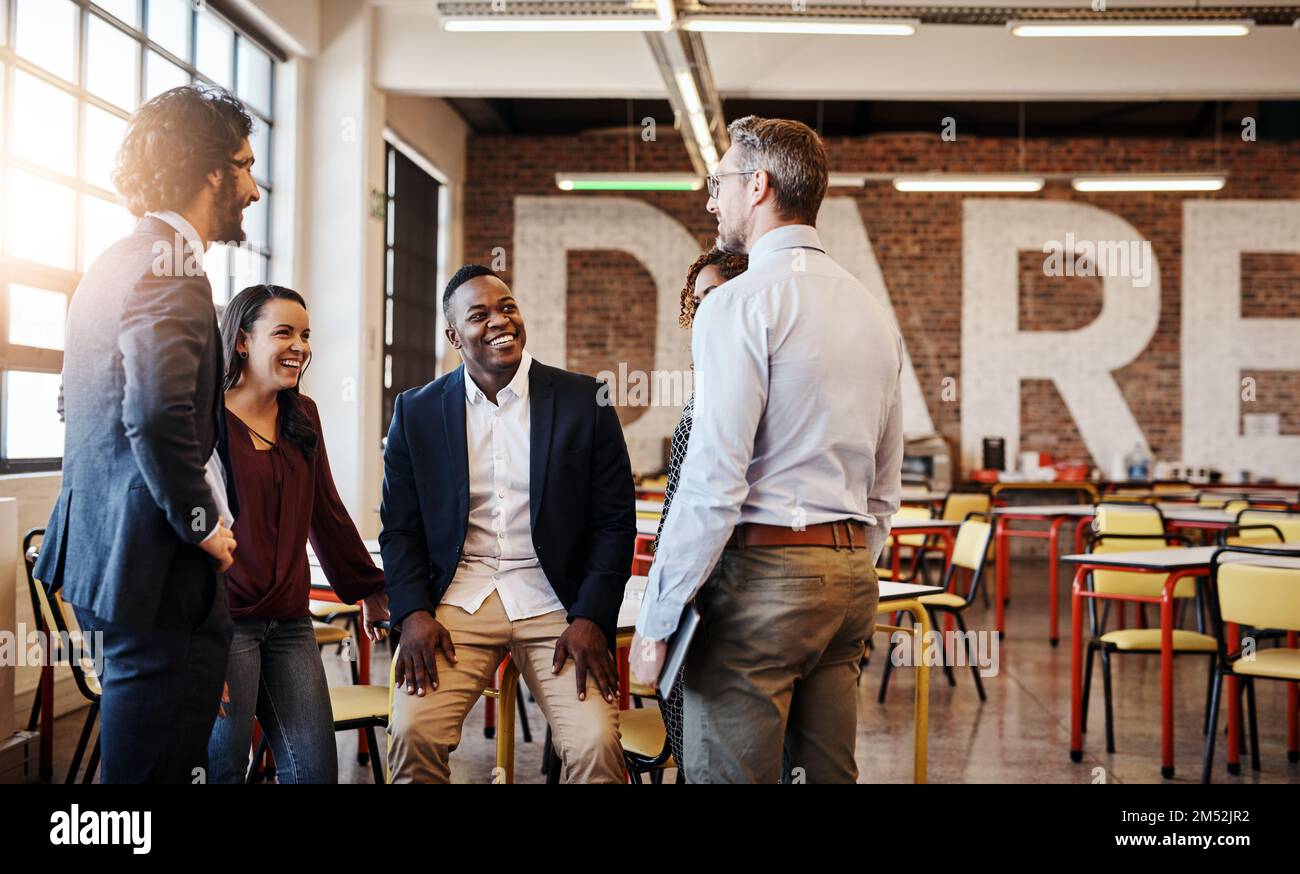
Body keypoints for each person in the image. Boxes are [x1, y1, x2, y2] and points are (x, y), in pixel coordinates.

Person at [631, 116, 904, 784]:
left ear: (759, 186)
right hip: (849, 584)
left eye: (718, 182)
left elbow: (714, 479)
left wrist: (658, 617)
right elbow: (884, 484)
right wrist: (838, 563)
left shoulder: (741, 303)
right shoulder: (871, 309)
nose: (710, 199)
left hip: (764, 583)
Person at [33, 86, 260, 782]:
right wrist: (201, 522)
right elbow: (155, 412)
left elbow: (77, 401)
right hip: (160, 568)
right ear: (211, 171)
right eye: (245, 167)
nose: (253, 190)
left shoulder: (112, 263)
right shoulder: (176, 271)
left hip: (109, 561)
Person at [381, 265, 635, 784]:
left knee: (596, 746)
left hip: (557, 607)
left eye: (507, 308)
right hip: (458, 603)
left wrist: (591, 617)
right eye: (479, 315)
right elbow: (400, 529)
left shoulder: (586, 401)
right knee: (412, 733)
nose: (500, 321)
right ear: (454, 336)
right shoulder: (417, 412)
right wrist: (412, 614)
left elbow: (614, 524)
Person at [207, 285, 388, 783]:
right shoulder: (205, 418)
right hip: (224, 624)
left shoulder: (302, 414)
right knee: (221, 769)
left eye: (305, 335)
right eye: (283, 332)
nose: (300, 346)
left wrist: (368, 590)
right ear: (243, 341)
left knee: (314, 770)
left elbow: (325, 511)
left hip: (289, 621)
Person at [653, 247, 748, 779]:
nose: (707, 306)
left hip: (716, 586)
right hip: (690, 581)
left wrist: (668, 603)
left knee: (712, 744)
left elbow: (713, 501)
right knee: (687, 728)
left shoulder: (740, 380)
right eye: (701, 296)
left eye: (720, 293)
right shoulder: (709, 377)